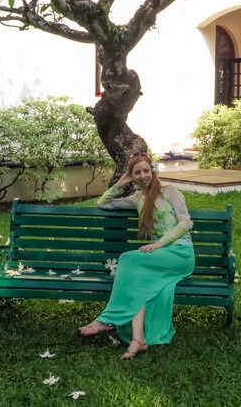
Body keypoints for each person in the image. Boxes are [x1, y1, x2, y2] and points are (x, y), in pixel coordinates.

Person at [78, 152, 195, 360]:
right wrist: (121, 183)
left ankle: (106, 319)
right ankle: (138, 340)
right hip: (160, 254)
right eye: (137, 173)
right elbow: (102, 203)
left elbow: (186, 223)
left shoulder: (170, 192)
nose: (142, 176)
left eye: (145, 171)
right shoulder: (136, 199)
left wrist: (159, 244)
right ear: (132, 176)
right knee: (137, 281)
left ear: (153, 171)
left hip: (179, 253)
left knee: (128, 258)